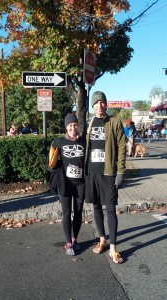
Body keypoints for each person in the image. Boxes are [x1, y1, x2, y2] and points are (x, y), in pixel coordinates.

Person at [85, 91, 126, 264]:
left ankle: (113, 248)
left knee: (110, 209)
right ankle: (102, 239)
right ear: (93, 106)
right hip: (92, 172)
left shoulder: (114, 122)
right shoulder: (90, 122)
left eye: (102, 103)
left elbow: (122, 147)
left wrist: (121, 172)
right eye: (96, 103)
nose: (99, 106)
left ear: (106, 105)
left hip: (108, 173)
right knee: (96, 207)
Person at [49, 113, 85, 256]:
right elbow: (50, 163)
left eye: (75, 125)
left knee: (78, 212)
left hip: (80, 183)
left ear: (78, 126)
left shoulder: (83, 142)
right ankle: (68, 242)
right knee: (66, 213)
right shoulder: (59, 142)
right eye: (70, 126)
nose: (73, 128)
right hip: (65, 184)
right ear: (66, 127)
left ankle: (75, 239)